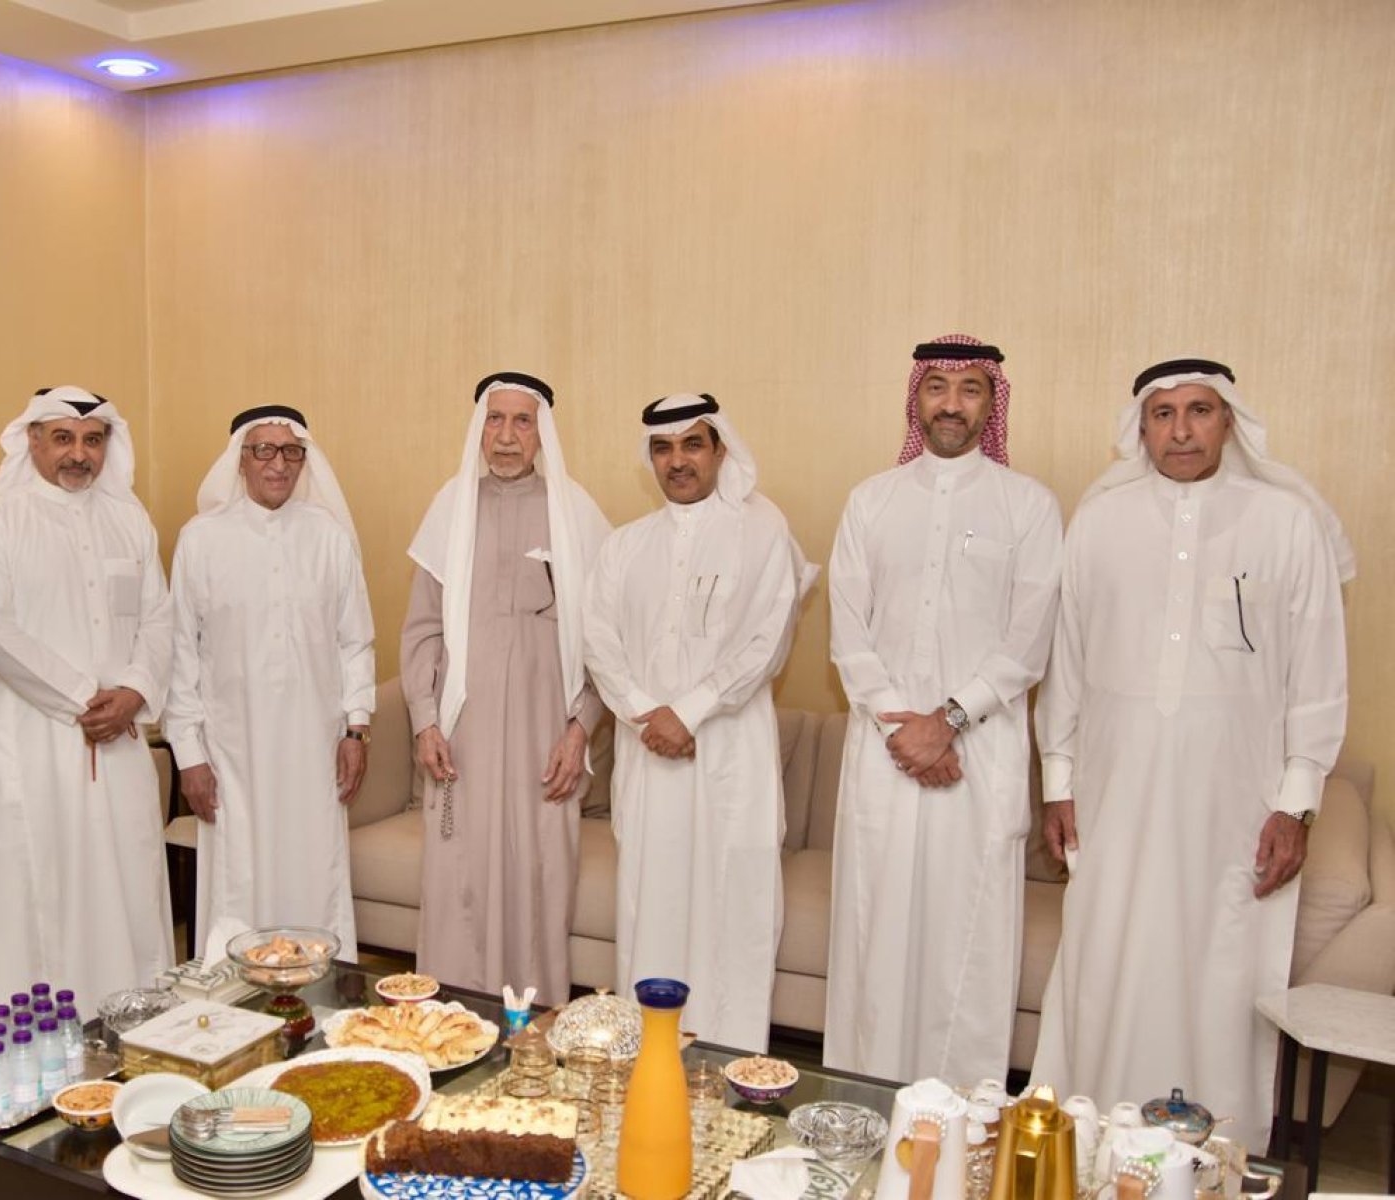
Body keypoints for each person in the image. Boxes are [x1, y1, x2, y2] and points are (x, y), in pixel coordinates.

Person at [1030, 358, 1351, 1151]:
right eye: (1163, 414)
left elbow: (1318, 675)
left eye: (1199, 411)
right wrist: (1058, 782)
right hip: (1113, 795)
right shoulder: (1100, 521)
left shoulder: (1285, 523)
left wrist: (1297, 803)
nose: (1181, 430)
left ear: (1229, 420)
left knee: (1220, 974)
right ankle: (1089, 1144)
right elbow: (1068, 660)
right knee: (1106, 960)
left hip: (1234, 803)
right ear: (1140, 428)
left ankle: (1214, 1157)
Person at [823, 336, 1062, 1085]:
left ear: (991, 402)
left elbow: (1029, 639)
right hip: (885, 749)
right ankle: (859, 1104)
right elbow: (848, 631)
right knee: (875, 930)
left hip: (978, 757)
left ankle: (962, 1119)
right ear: (915, 399)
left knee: (968, 941)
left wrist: (947, 721)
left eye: (969, 389)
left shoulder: (1029, 505)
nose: (951, 404)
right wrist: (906, 728)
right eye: (937, 387)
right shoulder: (871, 500)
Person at [582, 393, 814, 1050]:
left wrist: (686, 713)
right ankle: (645, 1060)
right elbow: (597, 641)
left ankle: (730, 1063)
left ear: (719, 450)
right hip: (647, 755)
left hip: (729, 755)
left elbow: (767, 641)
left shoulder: (762, 530)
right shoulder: (625, 545)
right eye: (663, 448)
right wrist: (645, 714)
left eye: (692, 444)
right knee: (650, 902)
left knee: (730, 908)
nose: (677, 461)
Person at [0, 386, 175, 1011]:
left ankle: (138, 1019)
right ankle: (48, 1035)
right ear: (32, 441)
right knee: (46, 883)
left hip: (122, 733)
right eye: (62, 438)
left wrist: (134, 690)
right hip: (35, 739)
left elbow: (159, 617)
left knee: (130, 874)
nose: (79, 454)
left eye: (92, 440)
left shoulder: (129, 520)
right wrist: (86, 698)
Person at [400, 371, 612, 1006]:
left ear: (542, 432)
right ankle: (450, 1026)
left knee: (538, 884)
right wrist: (424, 721)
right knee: (457, 885)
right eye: (496, 419)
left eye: (523, 421)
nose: (508, 435)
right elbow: (422, 630)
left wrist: (580, 732)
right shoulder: (451, 507)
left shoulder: (575, 513)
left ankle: (532, 1035)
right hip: (461, 740)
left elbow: (606, 644)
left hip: (546, 743)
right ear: (479, 429)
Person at [163, 406, 374, 961]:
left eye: (291, 452)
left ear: (304, 460)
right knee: (239, 881)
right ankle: (233, 998)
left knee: (315, 872)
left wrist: (357, 731)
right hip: (232, 751)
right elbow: (180, 652)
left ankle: (321, 990)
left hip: (315, 749)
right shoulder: (201, 539)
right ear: (241, 460)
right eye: (264, 451)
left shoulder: (329, 537)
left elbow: (355, 641)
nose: (278, 464)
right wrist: (189, 756)